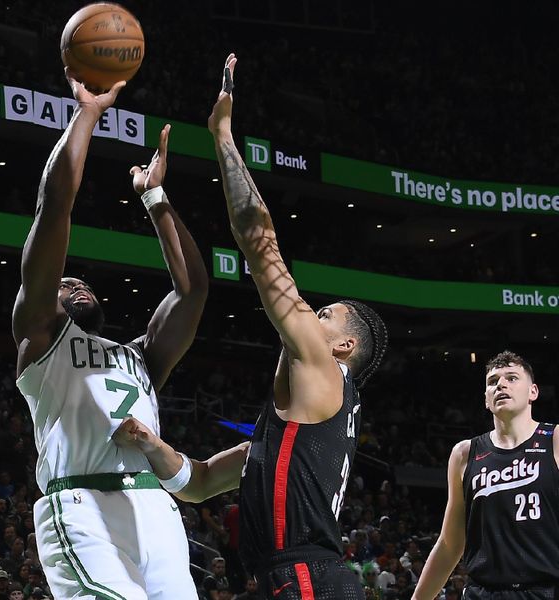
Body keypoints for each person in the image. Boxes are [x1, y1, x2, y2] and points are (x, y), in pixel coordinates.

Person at [114, 53, 388, 600]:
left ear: (344, 345)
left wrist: (222, 136)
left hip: (306, 579)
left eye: (324, 315)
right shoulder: (292, 435)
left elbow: (260, 239)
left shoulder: (324, 370)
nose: (311, 314)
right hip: (290, 579)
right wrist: (148, 441)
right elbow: (198, 482)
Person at [11, 63, 207, 598]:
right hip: (81, 504)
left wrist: (157, 200)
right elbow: (54, 209)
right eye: (63, 282)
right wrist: (87, 115)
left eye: (81, 282)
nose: (75, 285)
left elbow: (192, 292)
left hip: (154, 508)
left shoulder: (141, 356)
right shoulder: (41, 341)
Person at [412, 351, 559, 600]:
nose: (501, 384)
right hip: (483, 593)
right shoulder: (464, 454)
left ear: (533, 391)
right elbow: (450, 544)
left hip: (546, 590)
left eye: (512, 378)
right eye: (493, 382)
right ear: (486, 400)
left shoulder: (554, 440)